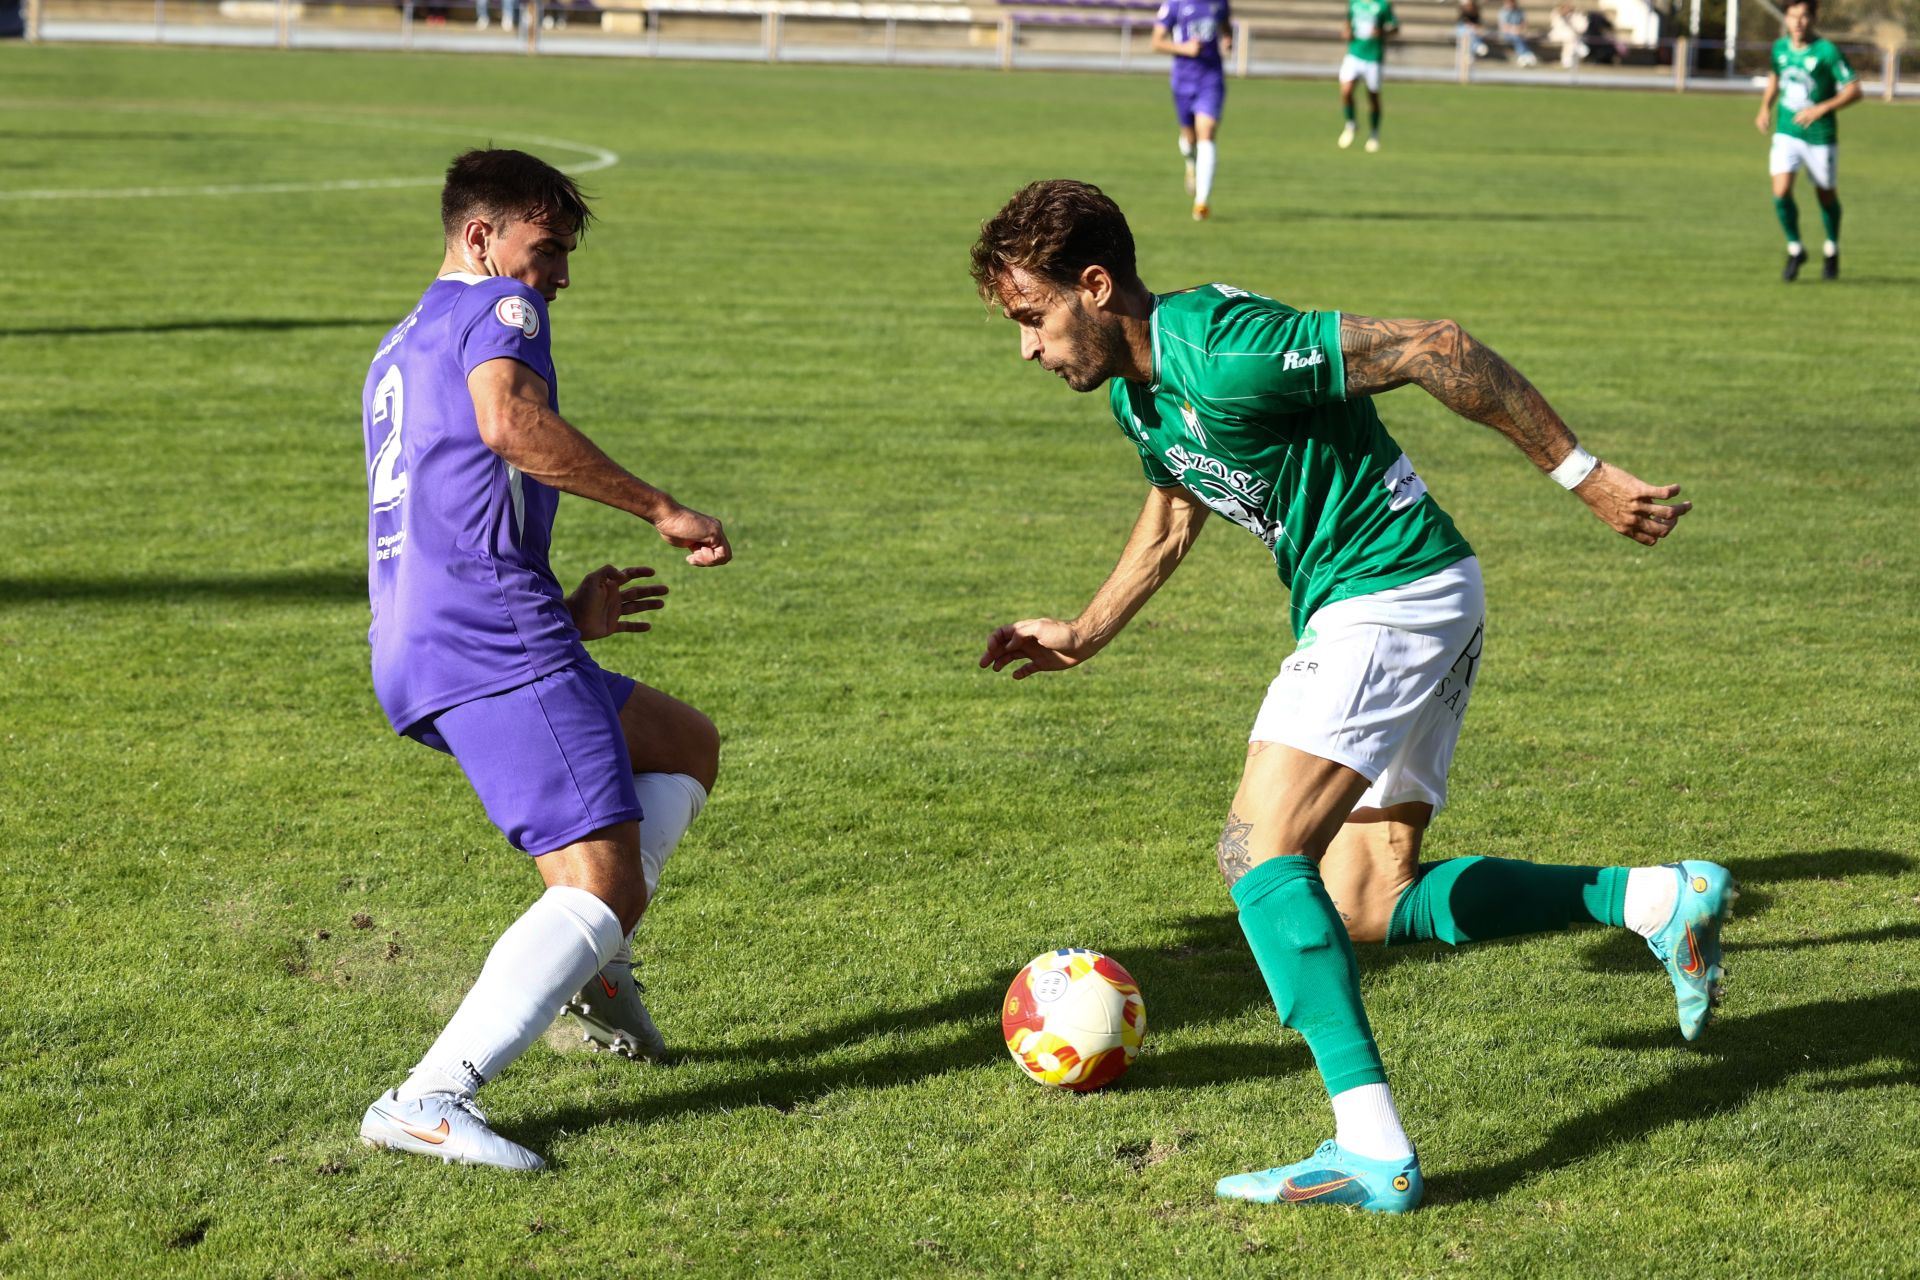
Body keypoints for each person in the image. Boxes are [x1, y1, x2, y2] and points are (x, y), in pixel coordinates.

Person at [968, 179, 1733, 1213]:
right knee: (1369, 897)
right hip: (1412, 595)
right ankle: (1654, 898)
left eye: (1032, 318)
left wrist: (1584, 475)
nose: (1025, 348)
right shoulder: (1136, 388)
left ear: (1095, 286)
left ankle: (1371, 1146)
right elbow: (1177, 497)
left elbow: (1435, 345)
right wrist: (1086, 630)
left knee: (1257, 850)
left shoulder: (1225, 347)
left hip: (1390, 595)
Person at [356, 149, 731, 1170]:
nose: (559, 275)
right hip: (486, 630)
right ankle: (430, 1095)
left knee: (683, 743)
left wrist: (564, 612)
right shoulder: (500, 312)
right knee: (605, 884)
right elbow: (507, 425)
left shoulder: (398, 345)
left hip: (422, 635)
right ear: (482, 238)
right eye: (547, 249)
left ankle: (594, 974)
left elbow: (442, 494)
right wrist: (660, 506)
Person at [1756, 0, 1860, 281]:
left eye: (1804, 16)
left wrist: (1822, 108)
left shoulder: (1827, 52)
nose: (1798, 22)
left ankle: (1831, 248)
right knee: (1780, 192)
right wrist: (1766, 106)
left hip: (1820, 135)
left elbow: (1854, 89)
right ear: (1786, 19)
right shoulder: (1779, 48)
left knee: (1825, 195)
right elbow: (1776, 76)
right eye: (1793, 16)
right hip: (1787, 131)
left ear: (1813, 19)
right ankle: (1795, 248)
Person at [1151, 0, 1233, 221]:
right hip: (1183, 80)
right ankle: (1190, 164)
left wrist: (1227, 39)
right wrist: (1184, 48)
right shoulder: (1175, 4)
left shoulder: (1219, 3)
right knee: (1190, 137)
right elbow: (1156, 41)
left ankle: (1201, 202)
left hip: (1211, 78)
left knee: (1207, 131)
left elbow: (1225, 25)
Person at [1338, 0, 1397, 151]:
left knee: (1373, 97)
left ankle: (1374, 134)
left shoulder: (1383, 5)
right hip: (1354, 53)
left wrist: (1382, 32)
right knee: (1346, 91)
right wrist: (1346, 31)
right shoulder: (1354, 3)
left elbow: (1395, 28)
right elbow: (1348, 21)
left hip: (1373, 57)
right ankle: (1351, 124)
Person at [1498, 0, 1538, 64]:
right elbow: (1503, 27)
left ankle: (1524, 56)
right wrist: (1513, 30)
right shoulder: (1503, 12)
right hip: (1507, 34)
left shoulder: (1519, 11)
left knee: (1520, 37)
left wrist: (1520, 30)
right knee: (1517, 37)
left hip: (1519, 33)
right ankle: (1526, 54)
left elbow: (1524, 24)